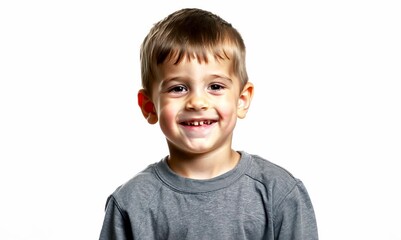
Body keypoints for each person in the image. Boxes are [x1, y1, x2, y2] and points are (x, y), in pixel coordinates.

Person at [99, 7, 318, 240]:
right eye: (178, 88)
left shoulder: (279, 193)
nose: (197, 102)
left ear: (242, 100)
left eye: (215, 86)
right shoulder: (131, 203)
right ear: (149, 107)